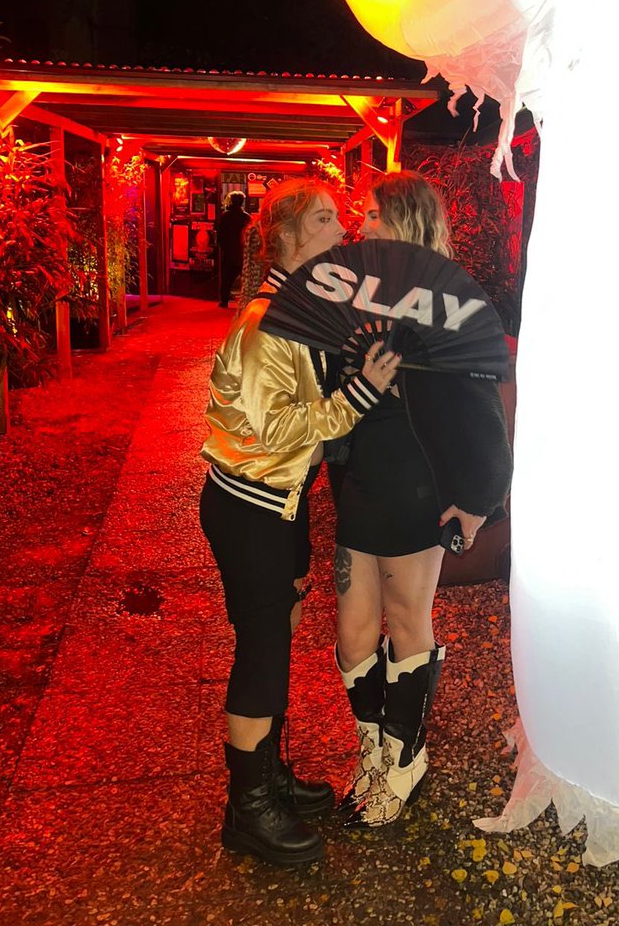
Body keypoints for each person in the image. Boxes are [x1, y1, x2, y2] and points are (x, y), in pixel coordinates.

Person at [199, 177, 400, 866]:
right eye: (324, 221)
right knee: (262, 649)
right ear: (285, 238)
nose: (342, 231)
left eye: (340, 219)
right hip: (250, 505)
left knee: (278, 636)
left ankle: (268, 775)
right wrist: (361, 395)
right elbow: (279, 429)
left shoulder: (302, 304)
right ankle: (246, 808)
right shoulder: (267, 322)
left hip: (279, 502)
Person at [334, 171, 513, 827]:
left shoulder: (447, 305)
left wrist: (479, 499)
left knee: (408, 621)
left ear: (405, 221)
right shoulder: (361, 294)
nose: (362, 225)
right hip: (363, 480)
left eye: (373, 215)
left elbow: (485, 415)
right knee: (353, 632)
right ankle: (372, 750)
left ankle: (404, 758)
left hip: (419, 486)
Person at [216, 191, 252, 307]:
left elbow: (220, 235)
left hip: (229, 252)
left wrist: (225, 247)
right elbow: (250, 235)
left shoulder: (225, 216)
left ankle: (224, 301)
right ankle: (247, 301)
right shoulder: (246, 217)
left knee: (227, 279)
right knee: (246, 279)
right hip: (242, 252)